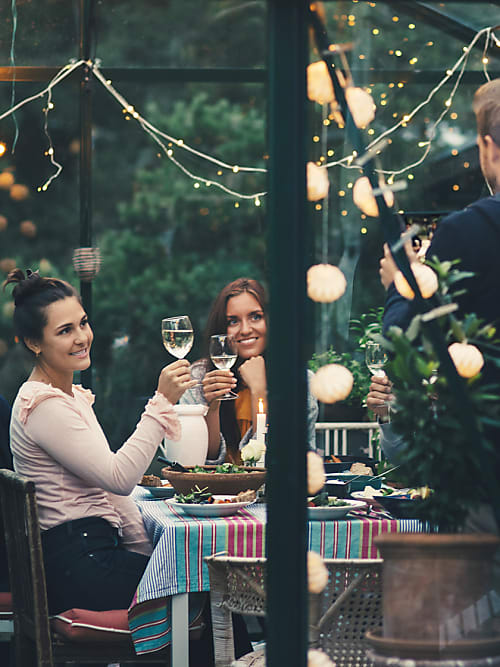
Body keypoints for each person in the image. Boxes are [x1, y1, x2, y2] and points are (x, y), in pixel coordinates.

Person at [4, 268, 196, 615]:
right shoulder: (43, 406)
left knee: (196, 578)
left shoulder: (70, 397)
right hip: (79, 566)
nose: (81, 337)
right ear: (35, 343)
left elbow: (108, 490)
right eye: (65, 330)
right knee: (200, 585)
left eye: (83, 323)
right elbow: (120, 478)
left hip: (92, 554)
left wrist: (142, 554)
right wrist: (162, 402)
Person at [369, 78, 500, 540]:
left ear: (488, 146)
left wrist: (400, 284)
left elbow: (402, 344)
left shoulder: (470, 230)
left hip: (484, 470)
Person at [181, 277, 319, 464]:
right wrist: (212, 409)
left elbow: (290, 461)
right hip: (213, 491)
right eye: (233, 321)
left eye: (256, 317)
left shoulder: (301, 381)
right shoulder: (198, 377)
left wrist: (259, 391)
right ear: (221, 328)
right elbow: (199, 462)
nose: (245, 330)